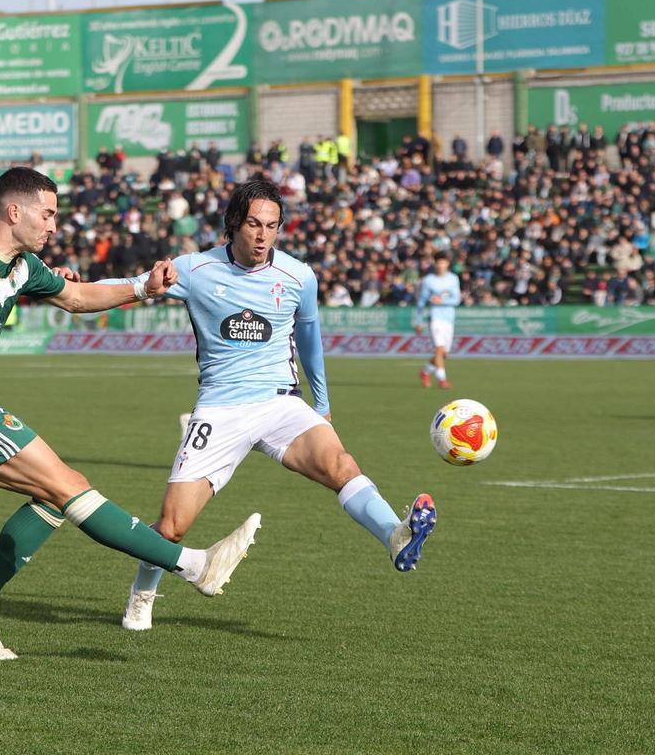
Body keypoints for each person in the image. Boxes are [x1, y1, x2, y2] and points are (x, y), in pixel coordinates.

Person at [0, 167, 261, 660]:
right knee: (70, 487)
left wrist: (143, 288)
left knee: (55, 495)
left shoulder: (23, 266)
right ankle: (194, 566)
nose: (54, 226)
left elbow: (76, 296)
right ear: (14, 212)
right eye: (47, 214)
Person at [77, 180, 436, 631]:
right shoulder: (195, 269)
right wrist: (81, 284)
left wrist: (321, 405)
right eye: (253, 225)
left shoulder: (298, 276)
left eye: (272, 226)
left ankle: (396, 536)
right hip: (220, 409)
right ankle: (141, 595)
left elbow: (310, 341)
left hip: (279, 402)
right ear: (233, 225)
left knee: (341, 464)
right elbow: (132, 286)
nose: (263, 235)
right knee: (171, 527)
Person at [415, 252, 461, 389]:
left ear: (447, 264)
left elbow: (457, 299)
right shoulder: (428, 280)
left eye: (443, 262)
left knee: (444, 353)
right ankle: (442, 380)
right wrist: (418, 321)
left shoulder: (453, 279)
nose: (441, 265)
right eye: (438, 262)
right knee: (439, 348)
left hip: (449, 318)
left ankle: (425, 372)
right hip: (435, 318)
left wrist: (442, 300)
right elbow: (421, 301)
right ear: (435, 264)